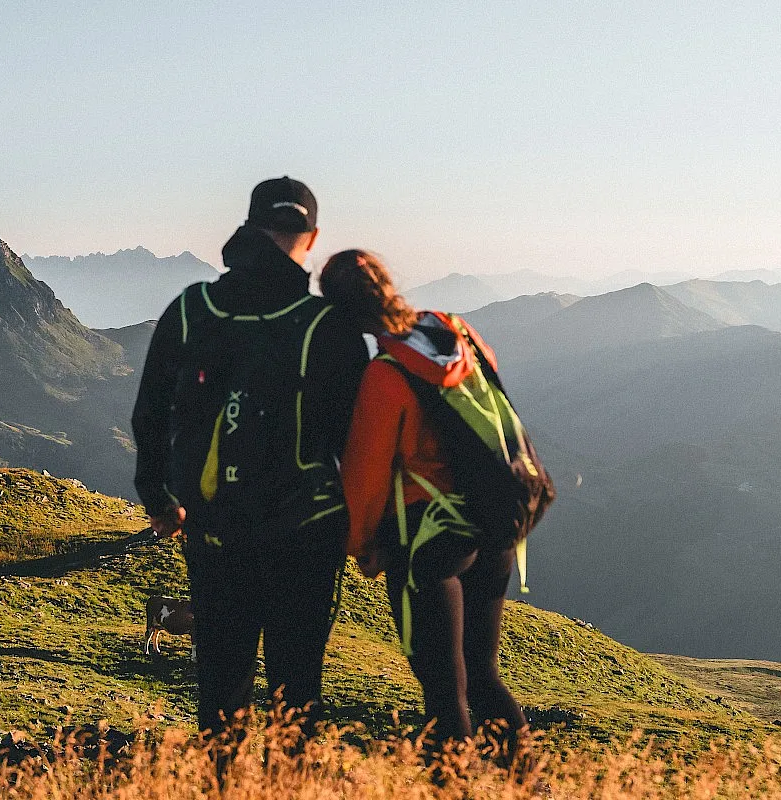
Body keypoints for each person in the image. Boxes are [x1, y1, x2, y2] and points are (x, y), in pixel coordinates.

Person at [131, 177, 369, 739]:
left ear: (249, 227)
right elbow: (355, 447)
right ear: (312, 238)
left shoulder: (192, 309)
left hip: (215, 531)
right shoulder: (327, 326)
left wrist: (159, 498)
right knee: (296, 692)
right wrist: (369, 533)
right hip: (306, 537)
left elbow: (150, 412)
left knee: (221, 687)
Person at [320, 249, 529, 760]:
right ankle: (528, 782)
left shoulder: (385, 376)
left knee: (443, 691)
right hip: (495, 523)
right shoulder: (460, 332)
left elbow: (366, 478)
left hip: (428, 543)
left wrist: (362, 546)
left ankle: (456, 788)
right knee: (482, 675)